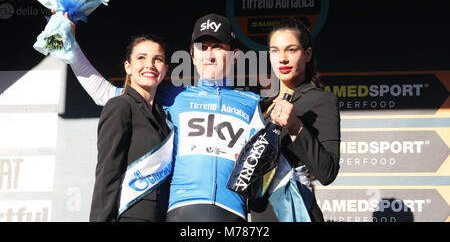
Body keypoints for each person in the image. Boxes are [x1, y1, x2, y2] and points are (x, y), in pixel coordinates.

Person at [68, 13, 265, 222]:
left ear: (234, 55)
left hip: (233, 212)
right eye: (203, 47)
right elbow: (104, 93)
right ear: (192, 55)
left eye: (217, 46)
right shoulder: (172, 97)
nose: (209, 55)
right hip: (181, 210)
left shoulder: (252, 103)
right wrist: (70, 45)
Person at [249, 17, 341, 222]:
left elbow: (327, 172)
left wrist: (295, 126)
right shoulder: (260, 105)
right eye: (275, 50)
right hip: (258, 215)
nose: (282, 58)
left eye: (291, 50)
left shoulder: (321, 100)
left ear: (307, 54)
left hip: (296, 212)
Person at [90, 35, 172, 222]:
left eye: (157, 59)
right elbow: (107, 172)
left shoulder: (164, 117)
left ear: (165, 70)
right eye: (141, 58)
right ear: (128, 67)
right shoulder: (120, 106)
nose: (150, 65)